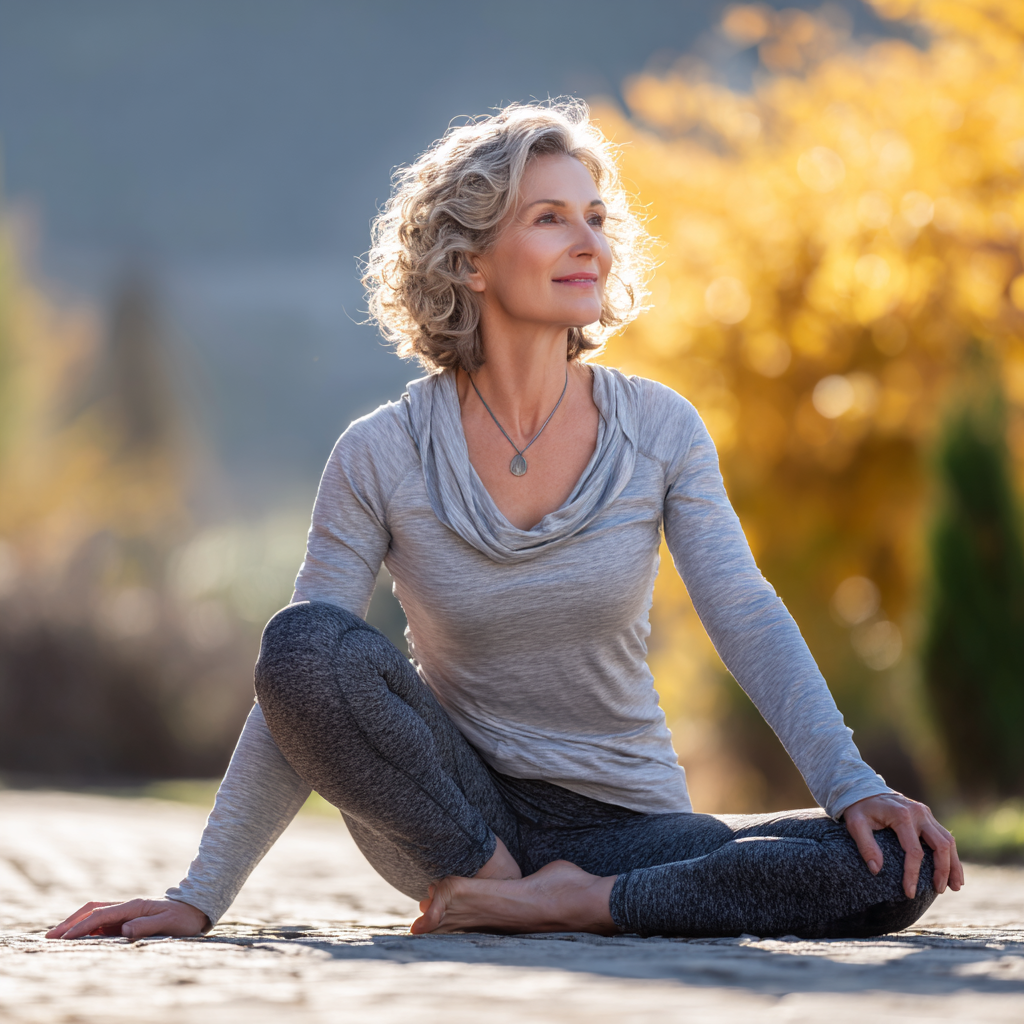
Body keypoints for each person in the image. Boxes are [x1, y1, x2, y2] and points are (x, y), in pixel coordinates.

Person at [49, 100, 962, 943]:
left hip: (633, 830)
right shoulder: (381, 452)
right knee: (302, 641)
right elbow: (298, 689)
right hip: (452, 819)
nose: (589, 244)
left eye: (596, 218)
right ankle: (505, 883)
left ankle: (565, 903)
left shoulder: (659, 429)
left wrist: (854, 788)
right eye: (550, 218)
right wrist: (199, 895)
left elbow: (744, 612)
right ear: (469, 260)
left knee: (891, 865)